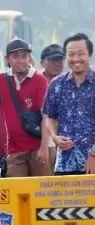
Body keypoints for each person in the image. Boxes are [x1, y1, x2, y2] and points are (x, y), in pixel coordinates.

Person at [43, 33, 95, 175]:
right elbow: (50, 117)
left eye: (81, 54)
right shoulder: (56, 84)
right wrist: (55, 137)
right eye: (71, 54)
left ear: (89, 55)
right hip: (65, 163)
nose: (76, 59)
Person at [0, 38, 51, 177]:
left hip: (38, 148)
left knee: (41, 193)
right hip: (13, 151)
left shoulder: (40, 80)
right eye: (15, 56)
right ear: (7, 59)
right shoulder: (2, 81)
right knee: (16, 194)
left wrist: (44, 148)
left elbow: (46, 116)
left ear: (29, 58)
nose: (20, 60)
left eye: (24, 56)